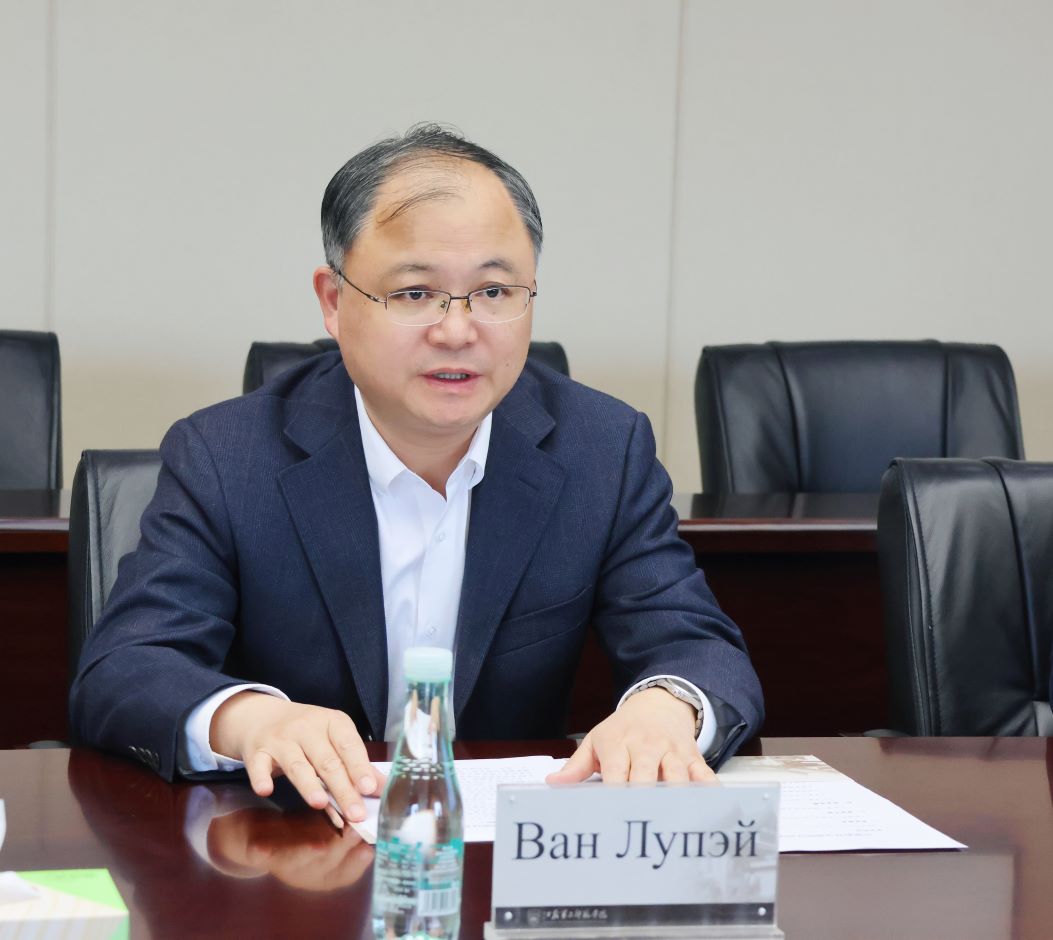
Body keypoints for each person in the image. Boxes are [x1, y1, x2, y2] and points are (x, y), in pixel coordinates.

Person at [71, 124, 763, 825]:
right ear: (334, 301)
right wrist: (251, 721)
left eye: (494, 291)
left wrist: (665, 708)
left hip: (503, 856)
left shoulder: (601, 451)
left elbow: (696, 645)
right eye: (413, 293)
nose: (457, 330)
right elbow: (126, 667)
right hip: (293, 847)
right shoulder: (227, 457)